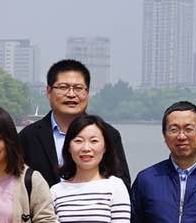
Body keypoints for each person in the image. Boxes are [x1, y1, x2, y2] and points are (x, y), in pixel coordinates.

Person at [17, 59, 130, 189]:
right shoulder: (28, 137)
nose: (71, 94)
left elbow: (123, 185)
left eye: (78, 88)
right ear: (48, 91)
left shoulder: (108, 134)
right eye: (63, 87)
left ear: (87, 92)